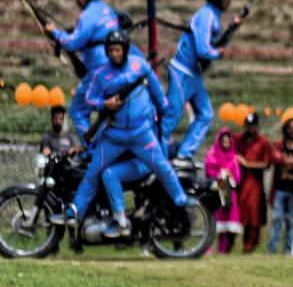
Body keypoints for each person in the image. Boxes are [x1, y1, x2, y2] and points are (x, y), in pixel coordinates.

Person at [51, 30, 190, 236]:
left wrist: (163, 109)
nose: (115, 54)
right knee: (93, 172)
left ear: (125, 50)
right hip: (114, 135)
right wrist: (104, 104)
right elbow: (89, 99)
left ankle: (181, 202)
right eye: (111, 50)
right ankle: (78, 213)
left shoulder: (140, 65)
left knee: (161, 165)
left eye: (118, 49)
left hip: (141, 133)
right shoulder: (101, 74)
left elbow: (158, 94)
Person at [163, 0, 240, 165]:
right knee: (172, 117)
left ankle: (184, 154)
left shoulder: (214, 15)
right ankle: (155, 152)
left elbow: (216, 42)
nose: (229, 2)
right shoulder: (207, 16)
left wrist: (231, 30)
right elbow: (203, 49)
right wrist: (217, 53)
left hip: (194, 74)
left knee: (205, 114)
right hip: (182, 71)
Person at [47, 0, 121, 122]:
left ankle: (91, 146)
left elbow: (72, 43)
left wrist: (53, 32)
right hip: (110, 69)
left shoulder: (88, 14)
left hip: (97, 71)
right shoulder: (107, 10)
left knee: (77, 111)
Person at [235, 113, 274, 252]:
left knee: (254, 216)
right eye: (247, 125)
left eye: (252, 126)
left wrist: (247, 163)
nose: (249, 128)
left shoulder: (263, 142)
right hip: (240, 182)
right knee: (240, 214)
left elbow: (267, 163)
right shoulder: (238, 140)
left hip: (255, 184)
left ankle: (250, 244)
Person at [266, 117, 293, 255]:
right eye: (290, 127)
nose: (292, 130)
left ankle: (288, 250)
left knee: (291, 221)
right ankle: (272, 249)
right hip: (280, 189)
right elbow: (274, 158)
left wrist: (285, 161)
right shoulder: (279, 145)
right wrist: (292, 160)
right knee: (276, 219)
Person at [204, 127, 242, 254]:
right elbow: (210, 172)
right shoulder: (212, 156)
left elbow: (237, 177)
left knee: (227, 224)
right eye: (223, 140)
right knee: (213, 222)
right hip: (215, 192)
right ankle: (207, 249)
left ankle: (223, 250)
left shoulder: (233, 159)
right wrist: (221, 176)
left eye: (228, 140)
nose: (226, 143)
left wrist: (228, 177)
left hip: (229, 194)